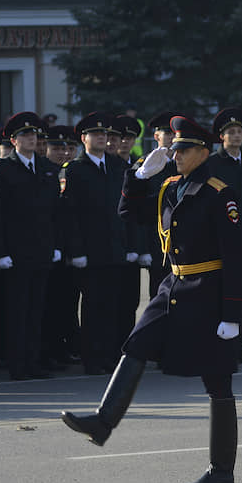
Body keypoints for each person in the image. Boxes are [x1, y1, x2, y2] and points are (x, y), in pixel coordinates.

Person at [61, 116, 242, 483]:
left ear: (203, 151)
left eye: (184, 150)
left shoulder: (219, 192)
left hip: (209, 291)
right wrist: (137, 176)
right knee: (137, 343)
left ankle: (222, 470)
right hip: (174, 285)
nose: (175, 155)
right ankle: (103, 421)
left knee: (218, 381)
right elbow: (129, 213)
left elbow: (238, 257)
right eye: (174, 149)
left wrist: (232, 315)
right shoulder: (171, 187)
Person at [0, 112, 62, 380]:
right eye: (25, 135)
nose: (32, 139)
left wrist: (56, 245)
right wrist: (0, 253)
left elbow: (54, 213)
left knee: (36, 310)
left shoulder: (46, 168)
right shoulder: (3, 169)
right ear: (14, 140)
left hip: (42, 249)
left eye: (34, 135)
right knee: (17, 312)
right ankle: (17, 366)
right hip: (15, 253)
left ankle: (32, 363)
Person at [59, 112, 129, 374]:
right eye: (96, 134)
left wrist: (129, 246)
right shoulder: (74, 170)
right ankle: (92, 358)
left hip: (114, 247)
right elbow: (71, 214)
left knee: (112, 306)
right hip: (89, 250)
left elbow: (126, 209)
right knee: (92, 307)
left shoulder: (117, 166)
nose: (102, 138)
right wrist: (76, 251)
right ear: (83, 138)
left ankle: (109, 356)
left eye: (105, 134)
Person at [206, 108, 242, 364]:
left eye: (240, 132)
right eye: (231, 132)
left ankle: (241, 345)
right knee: (222, 296)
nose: (237, 136)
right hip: (223, 241)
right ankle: (220, 346)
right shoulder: (214, 164)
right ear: (222, 137)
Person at [42, 125, 81, 368]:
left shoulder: (73, 172)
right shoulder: (43, 172)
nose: (63, 152)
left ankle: (67, 347)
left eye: (68, 148)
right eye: (57, 148)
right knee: (50, 304)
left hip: (72, 248)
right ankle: (51, 350)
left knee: (68, 302)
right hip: (49, 248)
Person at [112, 115, 146, 350]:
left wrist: (140, 248)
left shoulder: (140, 166)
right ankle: (110, 346)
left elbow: (142, 212)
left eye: (130, 137)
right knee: (110, 302)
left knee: (131, 300)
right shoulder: (108, 166)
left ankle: (127, 344)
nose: (125, 142)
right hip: (112, 245)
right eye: (121, 137)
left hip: (133, 244)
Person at [137, 111, 178, 299]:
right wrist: (143, 247)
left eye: (174, 134)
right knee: (159, 294)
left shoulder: (184, 163)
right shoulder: (146, 165)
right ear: (156, 136)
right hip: (156, 240)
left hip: (181, 240)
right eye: (167, 134)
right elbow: (138, 207)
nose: (171, 138)